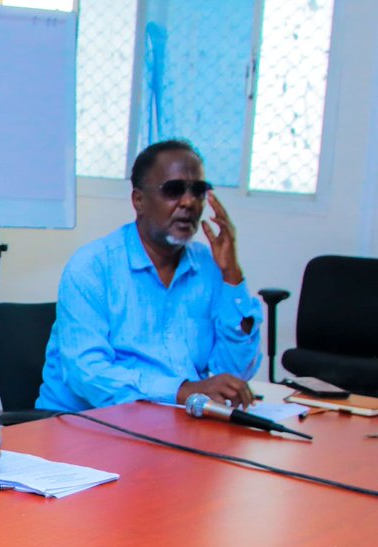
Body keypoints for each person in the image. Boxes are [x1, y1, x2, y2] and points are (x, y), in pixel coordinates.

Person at [36, 139, 262, 413]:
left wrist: (231, 275)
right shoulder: (93, 267)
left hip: (174, 421)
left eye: (198, 191)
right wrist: (182, 391)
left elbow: (233, 375)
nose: (189, 202)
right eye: (174, 190)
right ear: (139, 200)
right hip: (86, 425)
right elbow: (88, 375)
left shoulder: (209, 265)